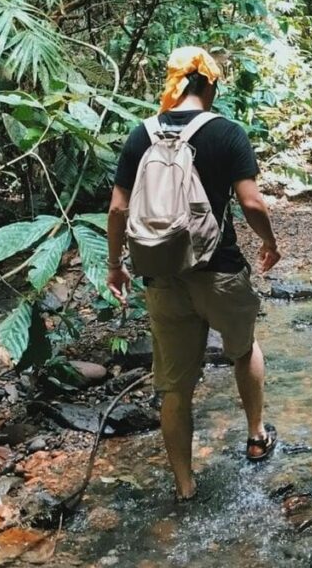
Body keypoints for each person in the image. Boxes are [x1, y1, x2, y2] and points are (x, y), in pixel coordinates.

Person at [105, 46, 281, 499]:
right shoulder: (227, 133)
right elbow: (251, 202)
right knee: (243, 349)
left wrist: (115, 266)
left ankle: (184, 487)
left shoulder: (139, 135)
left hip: (161, 274)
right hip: (217, 270)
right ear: (209, 83)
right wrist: (269, 242)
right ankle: (256, 436)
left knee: (175, 387)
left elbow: (118, 208)